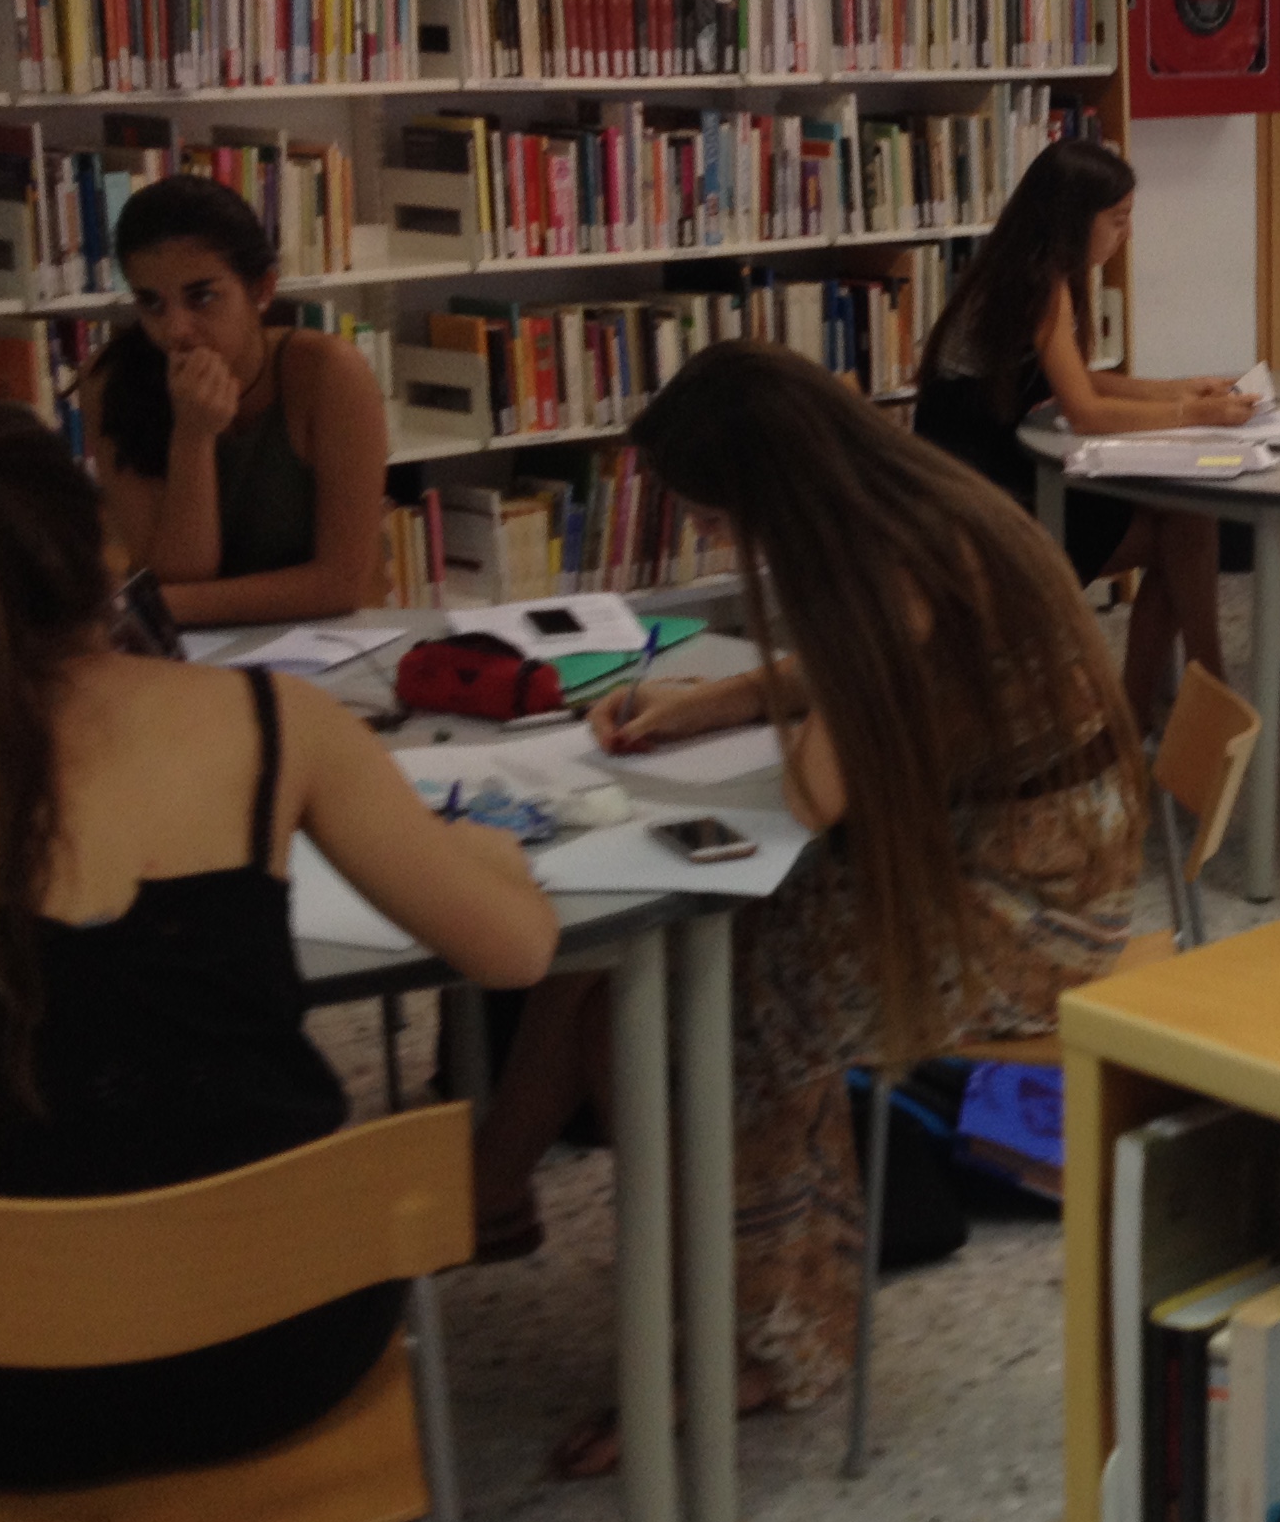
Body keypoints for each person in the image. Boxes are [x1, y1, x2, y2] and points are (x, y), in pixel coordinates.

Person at [0, 397, 556, 1522]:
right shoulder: (268, 728)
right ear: (103, 551)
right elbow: (515, 953)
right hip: (276, 1358)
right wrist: (485, 853)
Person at [469, 344, 1141, 1465]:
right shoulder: (910, 502)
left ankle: (768, 1341)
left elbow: (817, 791)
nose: (727, 541)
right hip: (1009, 837)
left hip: (1033, 897)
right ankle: (496, 1195)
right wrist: (705, 706)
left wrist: (756, 717)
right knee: (617, 963)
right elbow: (860, 686)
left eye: (722, 516)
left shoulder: (889, 559)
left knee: (714, 1000)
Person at [914, 136, 1250, 729]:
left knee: (1186, 522)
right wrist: (1192, 415)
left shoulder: (1022, 268)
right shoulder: (1039, 286)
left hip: (992, 484)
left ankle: (1160, 705)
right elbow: (1087, 412)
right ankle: (1189, 695)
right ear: (1074, 219)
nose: (1126, 234)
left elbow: (1079, 380)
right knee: (1187, 527)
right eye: (1117, 220)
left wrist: (1176, 389)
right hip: (993, 513)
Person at [87, 174, 391, 625]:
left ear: (262, 290)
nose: (176, 330)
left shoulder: (328, 374)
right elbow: (178, 574)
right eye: (152, 303)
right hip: (188, 655)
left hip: (323, 643)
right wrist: (192, 436)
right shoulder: (113, 381)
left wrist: (154, 606)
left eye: (202, 297)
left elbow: (340, 584)